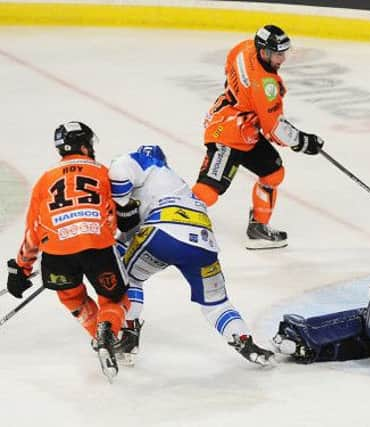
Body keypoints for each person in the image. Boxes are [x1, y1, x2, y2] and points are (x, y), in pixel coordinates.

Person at [109, 144, 275, 366]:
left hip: (164, 231)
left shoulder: (145, 162)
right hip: (204, 241)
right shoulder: (176, 184)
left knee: (127, 278)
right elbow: (132, 229)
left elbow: (119, 177)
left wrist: (119, 207)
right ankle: (245, 341)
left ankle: (129, 336)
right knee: (217, 304)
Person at [5, 121, 130, 382]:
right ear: (84, 145)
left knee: (72, 297)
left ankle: (98, 335)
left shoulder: (45, 180)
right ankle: (108, 329)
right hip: (97, 247)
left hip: (57, 253)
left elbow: (34, 230)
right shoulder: (103, 172)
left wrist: (21, 268)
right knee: (115, 299)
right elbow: (116, 212)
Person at [192, 24, 324, 250]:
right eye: (278, 54)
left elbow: (228, 70)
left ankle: (258, 227)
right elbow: (274, 129)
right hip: (226, 132)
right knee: (208, 191)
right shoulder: (265, 86)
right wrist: (303, 141)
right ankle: (166, 220)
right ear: (263, 52)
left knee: (273, 172)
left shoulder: (243, 48)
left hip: (246, 130)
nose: (282, 59)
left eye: (284, 53)